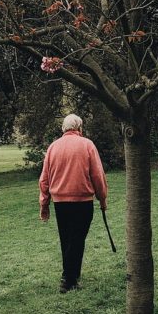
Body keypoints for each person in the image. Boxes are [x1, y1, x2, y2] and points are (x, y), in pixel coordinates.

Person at [39, 113, 108, 293]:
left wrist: (44, 204)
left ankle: (71, 276)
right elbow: (98, 176)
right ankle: (68, 279)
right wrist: (102, 198)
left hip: (60, 203)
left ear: (64, 128)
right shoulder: (87, 145)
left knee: (67, 239)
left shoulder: (53, 147)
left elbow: (44, 179)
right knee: (77, 240)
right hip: (82, 202)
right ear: (79, 128)